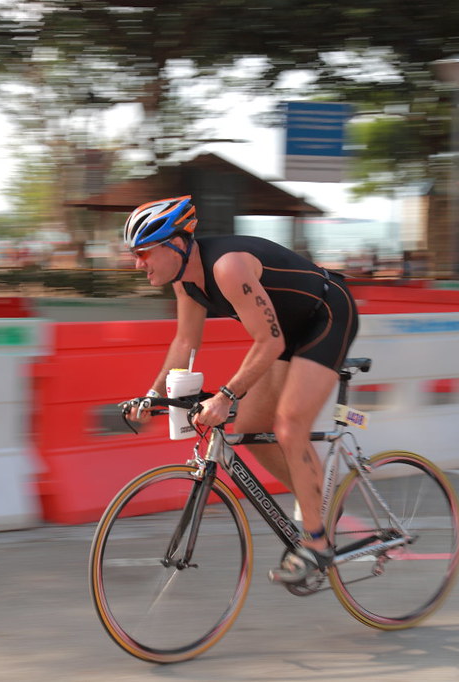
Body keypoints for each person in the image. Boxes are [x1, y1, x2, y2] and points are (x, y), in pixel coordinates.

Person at [125, 195, 359, 584]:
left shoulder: (227, 267)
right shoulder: (185, 282)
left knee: (288, 425)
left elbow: (268, 343)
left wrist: (226, 395)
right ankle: (317, 503)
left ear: (177, 244)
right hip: (286, 330)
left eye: (145, 253)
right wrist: (152, 393)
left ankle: (317, 543)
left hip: (327, 314)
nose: (138, 264)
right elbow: (185, 344)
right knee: (252, 428)